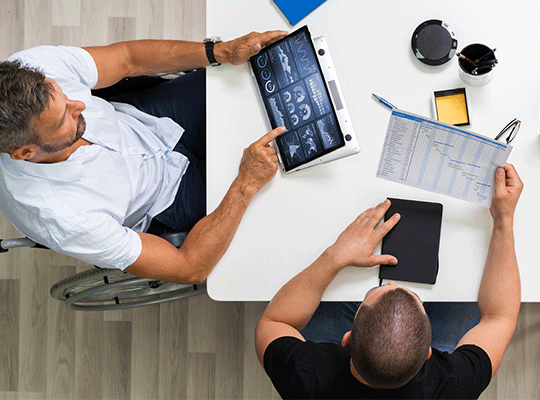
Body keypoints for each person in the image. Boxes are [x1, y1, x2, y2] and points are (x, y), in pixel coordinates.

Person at [0, 30, 287, 284]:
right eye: (64, 118)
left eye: (65, 95)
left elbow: (128, 58)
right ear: (26, 153)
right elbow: (189, 268)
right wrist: (245, 185)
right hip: (166, 198)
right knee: (284, 188)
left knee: (257, 80)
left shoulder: (31, 70)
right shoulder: (64, 219)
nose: (80, 105)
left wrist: (220, 51)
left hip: (148, 119)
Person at [255, 163, 523, 399]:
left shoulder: (306, 374)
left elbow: (274, 321)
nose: (393, 285)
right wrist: (504, 218)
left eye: (379, 291)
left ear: (346, 338)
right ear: (429, 353)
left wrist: (335, 256)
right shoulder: (453, 383)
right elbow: (499, 317)